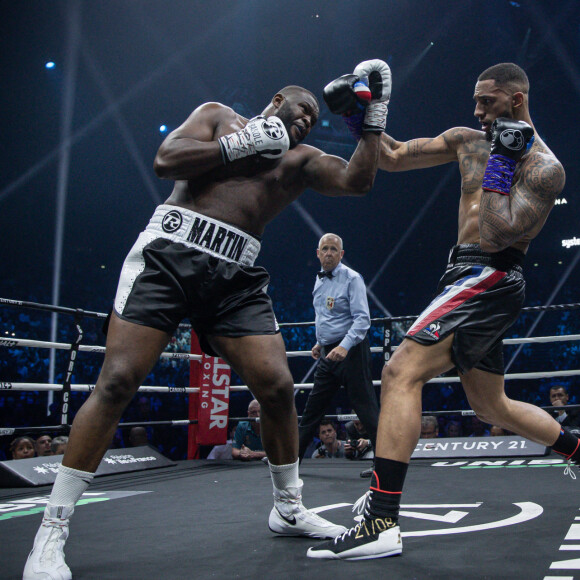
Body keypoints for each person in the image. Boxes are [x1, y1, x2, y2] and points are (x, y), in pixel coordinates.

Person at [23, 59, 392, 579]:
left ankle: (288, 508)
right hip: (169, 257)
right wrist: (239, 145)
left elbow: (359, 181)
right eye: (300, 110)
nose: (307, 120)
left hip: (234, 277)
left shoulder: (300, 162)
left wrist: (372, 117)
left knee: (278, 385)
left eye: (315, 116)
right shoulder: (219, 117)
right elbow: (166, 159)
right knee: (118, 381)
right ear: (275, 103)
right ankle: (52, 530)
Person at [307, 62, 573, 562]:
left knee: (400, 372)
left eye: (487, 102)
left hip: (492, 275)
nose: (476, 111)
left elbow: (496, 235)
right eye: (475, 101)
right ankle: (579, 450)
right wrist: (363, 113)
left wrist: (502, 161)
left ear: (515, 101)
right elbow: (388, 157)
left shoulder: (543, 167)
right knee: (492, 407)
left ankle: (382, 519)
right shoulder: (467, 140)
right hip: (461, 276)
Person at [297, 233, 380, 471]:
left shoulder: (352, 278)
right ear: (318, 253)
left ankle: (384, 464)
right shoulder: (319, 280)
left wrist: (343, 346)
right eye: (325, 248)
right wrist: (320, 343)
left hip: (351, 351)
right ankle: (291, 462)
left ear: (341, 254)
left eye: (334, 249)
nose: (329, 253)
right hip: (328, 354)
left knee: (366, 409)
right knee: (312, 409)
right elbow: (326, 316)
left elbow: (363, 320)